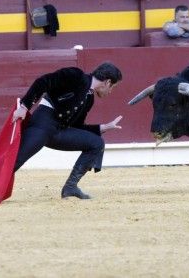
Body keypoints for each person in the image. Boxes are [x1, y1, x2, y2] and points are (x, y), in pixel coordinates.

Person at [12, 63, 123, 200]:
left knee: (96, 143)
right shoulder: (76, 75)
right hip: (42, 125)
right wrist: (24, 107)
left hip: (58, 132)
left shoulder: (89, 98)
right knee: (14, 162)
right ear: (107, 82)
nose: (111, 91)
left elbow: (76, 126)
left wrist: (103, 127)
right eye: (113, 87)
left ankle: (70, 187)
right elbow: (43, 82)